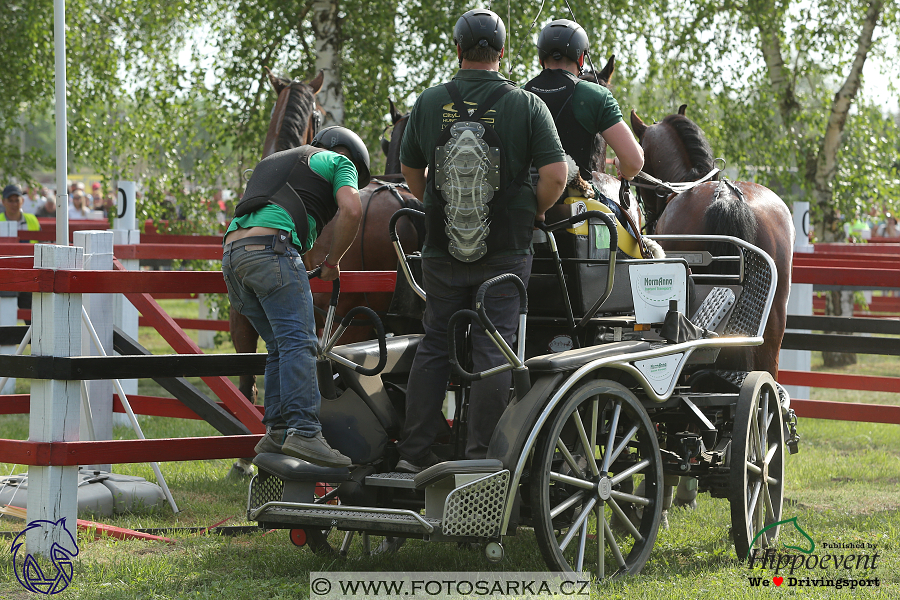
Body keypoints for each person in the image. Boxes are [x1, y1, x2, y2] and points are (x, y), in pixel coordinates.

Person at [396, 8, 568, 472]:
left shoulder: (430, 102)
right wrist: (533, 208)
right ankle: (479, 461)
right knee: (495, 347)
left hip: (441, 249)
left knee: (435, 343)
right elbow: (557, 173)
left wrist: (439, 199)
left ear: (457, 51)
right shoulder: (526, 104)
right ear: (502, 53)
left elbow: (411, 173)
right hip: (507, 250)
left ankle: (413, 455)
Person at [222, 125, 369, 469]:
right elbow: (352, 210)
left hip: (233, 255)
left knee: (279, 344)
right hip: (272, 249)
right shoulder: (337, 162)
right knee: (301, 343)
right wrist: (332, 262)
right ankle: (304, 431)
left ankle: (277, 429)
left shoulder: (277, 160)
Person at [523, 20, 644, 215]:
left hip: (525, 210)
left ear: (541, 59)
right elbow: (634, 161)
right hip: (577, 213)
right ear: (581, 59)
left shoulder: (519, 95)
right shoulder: (595, 96)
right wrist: (623, 166)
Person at [1, 184, 41, 324]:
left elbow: (41, 244)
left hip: (28, 275)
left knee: (32, 320)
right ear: (3, 201)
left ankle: (34, 343)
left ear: (22, 201)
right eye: (10, 200)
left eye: (16, 200)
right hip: (4, 275)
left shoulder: (32, 220)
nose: (13, 203)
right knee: (5, 321)